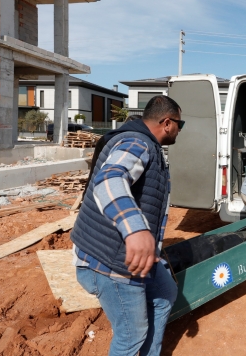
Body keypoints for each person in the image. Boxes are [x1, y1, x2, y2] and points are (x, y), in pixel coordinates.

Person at [71, 95, 183, 356]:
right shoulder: (137, 142)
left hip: (131, 259)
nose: (180, 129)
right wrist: (135, 229)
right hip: (110, 263)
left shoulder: (144, 142)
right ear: (167, 123)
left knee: (165, 294)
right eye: (180, 123)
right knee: (132, 334)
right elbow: (109, 180)